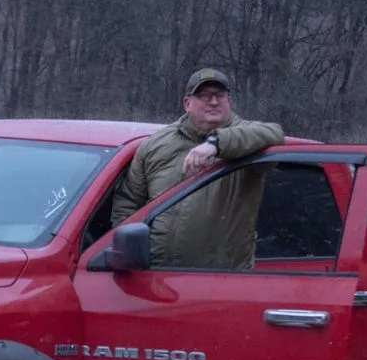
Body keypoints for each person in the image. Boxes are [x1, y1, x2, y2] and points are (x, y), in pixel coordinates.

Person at [110, 68, 285, 270]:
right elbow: (128, 204)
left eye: (220, 95)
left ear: (230, 101)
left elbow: (274, 133)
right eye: (203, 95)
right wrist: (125, 256)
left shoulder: (249, 141)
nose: (213, 101)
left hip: (219, 280)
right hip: (154, 276)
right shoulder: (155, 145)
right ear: (187, 103)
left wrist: (216, 143)